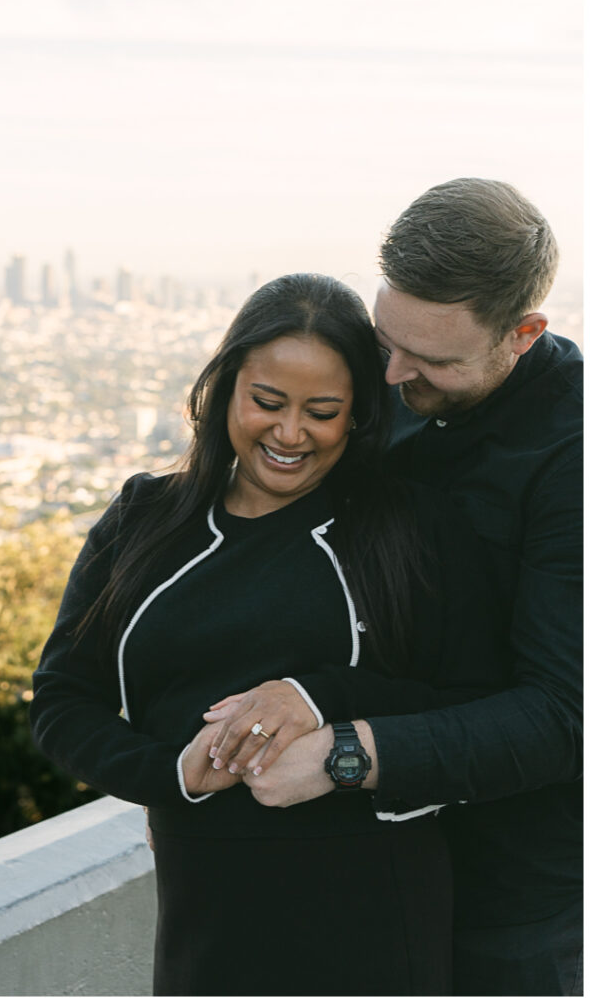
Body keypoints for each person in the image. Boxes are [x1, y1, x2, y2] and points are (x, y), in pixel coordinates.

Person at [30, 272, 510, 996]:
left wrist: (315, 697)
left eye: (322, 411)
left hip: (374, 918)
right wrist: (173, 776)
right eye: (266, 402)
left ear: (357, 417)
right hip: (202, 917)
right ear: (225, 389)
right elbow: (63, 700)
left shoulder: (412, 529)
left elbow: (476, 704)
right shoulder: (142, 518)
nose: (289, 434)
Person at [209, 180, 582, 996]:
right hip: (348, 861)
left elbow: (563, 716)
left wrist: (347, 754)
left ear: (522, 334)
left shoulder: (571, 458)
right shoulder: (388, 377)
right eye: (387, 340)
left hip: (506, 887)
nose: (392, 372)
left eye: (434, 360)